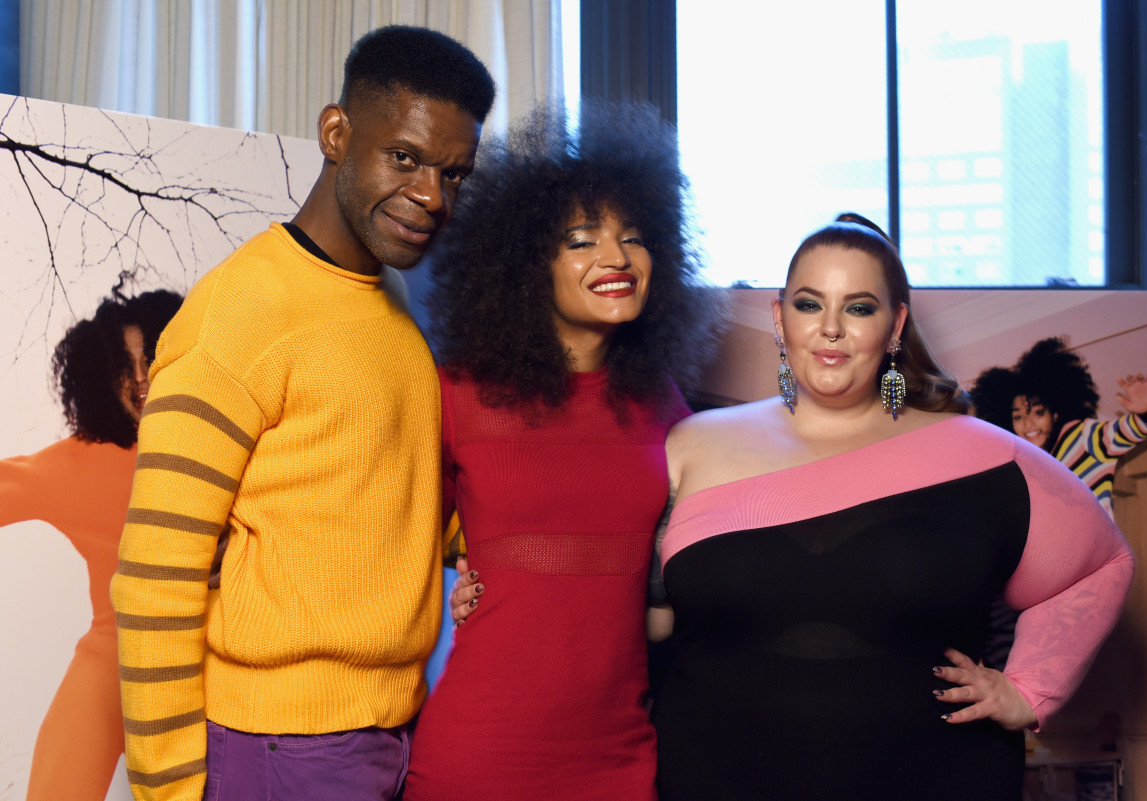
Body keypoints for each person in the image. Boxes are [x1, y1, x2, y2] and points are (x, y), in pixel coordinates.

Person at [110, 26, 494, 801]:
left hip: (386, 728)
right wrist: (170, 791)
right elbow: (157, 571)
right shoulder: (241, 311)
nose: (432, 196)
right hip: (279, 746)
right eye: (405, 158)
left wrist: (490, 545)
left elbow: (384, 494)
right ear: (336, 134)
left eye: (454, 173)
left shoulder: (391, 308)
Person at [647, 214, 1133, 800]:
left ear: (895, 324)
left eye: (858, 308)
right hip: (711, 779)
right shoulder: (690, 444)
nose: (830, 328)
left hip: (939, 779)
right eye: (809, 304)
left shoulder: (983, 453)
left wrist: (1031, 689)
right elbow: (629, 612)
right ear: (779, 317)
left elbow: (1101, 563)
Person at [401, 102, 719, 800]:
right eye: (581, 240)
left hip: (619, 758)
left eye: (633, 238)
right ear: (526, 266)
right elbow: (393, 538)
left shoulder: (663, 406)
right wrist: (459, 575)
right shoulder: (459, 395)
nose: (616, 258)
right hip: (478, 755)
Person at [2, 289, 182, 801]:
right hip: (114, 661)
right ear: (102, 377)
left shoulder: (218, 445)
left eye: (149, 357)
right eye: (125, 365)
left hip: (205, 662)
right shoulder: (80, 462)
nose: (141, 377)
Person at [971, 337, 1147, 516]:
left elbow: (1124, 433)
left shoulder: (1081, 437)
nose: (1028, 423)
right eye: (1018, 416)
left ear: (1054, 414)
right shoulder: (1024, 467)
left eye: (1038, 412)